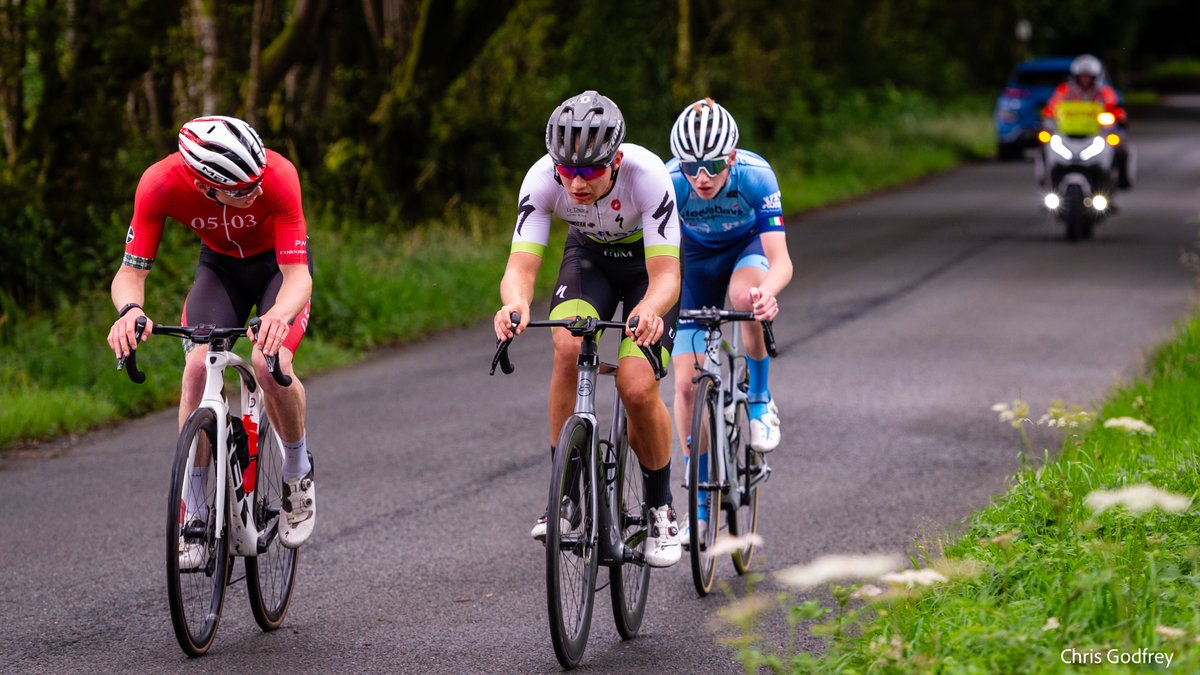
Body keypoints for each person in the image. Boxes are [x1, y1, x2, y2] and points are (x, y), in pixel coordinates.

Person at [106, 116, 317, 564]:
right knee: (198, 368)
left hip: (277, 270)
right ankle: (195, 511)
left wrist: (278, 314)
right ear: (204, 187)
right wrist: (131, 311)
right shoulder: (159, 184)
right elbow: (131, 272)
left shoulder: (277, 175)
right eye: (243, 190)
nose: (257, 192)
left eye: (257, 181)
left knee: (267, 363)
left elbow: (298, 275)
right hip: (219, 270)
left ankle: (298, 471)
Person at [493, 90, 683, 568]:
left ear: (615, 160)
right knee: (565, 343)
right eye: (567, 170)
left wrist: (650, 309)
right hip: (589, 259)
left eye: (590, 171)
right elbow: (521, 266)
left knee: (636, 386)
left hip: (647, 268)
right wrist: (514, 304)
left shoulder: (650, 176)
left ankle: (660, 507)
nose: (575, 183)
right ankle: (567, 493)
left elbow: (667, 277)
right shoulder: (542, 178)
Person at [665, 98, 793, 541]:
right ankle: (698, 506)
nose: (701, 178)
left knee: (746, 296)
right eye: (690, 167)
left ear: (732, 158)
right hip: (696, 261)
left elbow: (781, 260)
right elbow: (658, 259)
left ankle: (759, 399)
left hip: (746, 250)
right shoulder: (668, 183)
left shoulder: (756, 177)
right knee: (684, 384)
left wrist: (768, 294)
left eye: (713, 166)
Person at [1042, 54, 1131, 188]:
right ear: (1075, 76)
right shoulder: (1064, 91)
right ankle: (1045, 180)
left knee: (1120, 149)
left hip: (1096, 134)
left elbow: (1115, 108)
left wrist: (1120, 117)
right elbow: (1051, 108)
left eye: (1089, 76)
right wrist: (1047, 119)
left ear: (1095, 77)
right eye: (1082, 76)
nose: (1085, 79)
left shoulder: (1104, 92)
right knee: (1045, 148)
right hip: (1067, 134)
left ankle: (1121, 181)